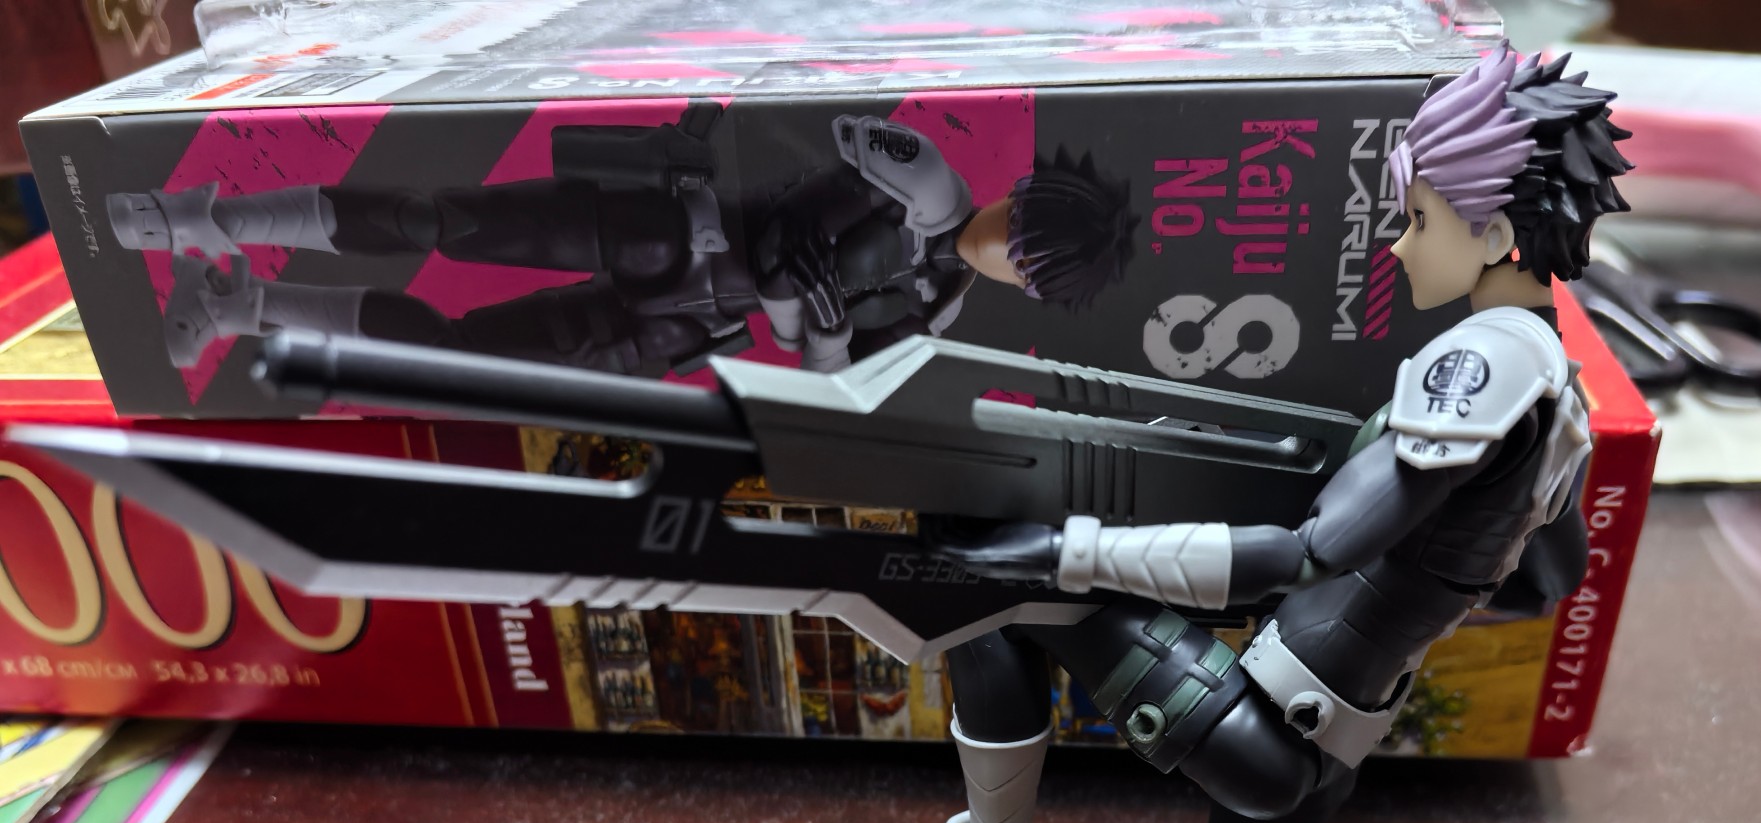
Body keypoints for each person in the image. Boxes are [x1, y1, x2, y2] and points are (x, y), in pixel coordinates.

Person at [898, 46, 1685, 823]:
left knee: (1010, 598)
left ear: (1498, 230)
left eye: (1419, 217)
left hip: (1276, 715)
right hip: (1336, 726)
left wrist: (1072, 549)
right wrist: (1411, 597)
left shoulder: (1482, 362)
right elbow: (1544, 580)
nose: (1397, 243)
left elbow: (1308, 550)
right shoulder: (1554, 378)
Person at [107, 112, 1134, 376]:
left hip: (684, 322)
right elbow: (793, 223)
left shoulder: (944, 306)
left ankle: (236, 305)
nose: (1010, 251)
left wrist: (815, 326)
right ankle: (209, 217)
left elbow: (832, 372)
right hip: (671, 233)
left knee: (455, 354)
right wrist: (802, 302)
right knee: (437, 221)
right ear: (1022, 195)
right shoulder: (926, 178)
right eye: (1027, 232)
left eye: (1031, 265)